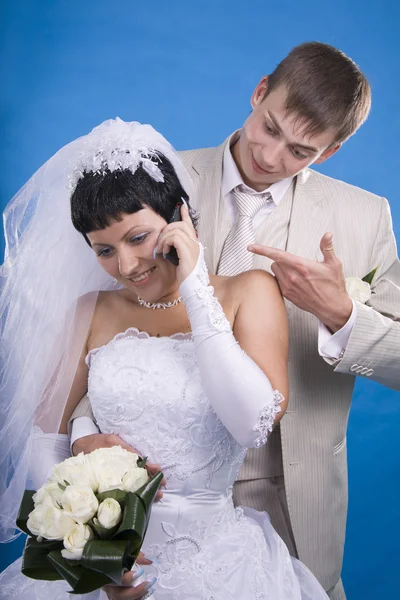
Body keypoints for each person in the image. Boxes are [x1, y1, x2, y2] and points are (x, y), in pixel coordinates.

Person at [70, 42, 400, 599]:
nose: (271, 157)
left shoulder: (365, 218)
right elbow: (105, 333)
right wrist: (82, 434)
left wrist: (342, 315)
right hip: (152, 495)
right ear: (259, 91)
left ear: (333, 150)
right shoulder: (157, 177)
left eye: (301, 151)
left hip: (297, 493)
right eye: (268, 128)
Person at [0, 118, 329, 599]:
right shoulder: (90, 311)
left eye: (137, 238)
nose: (127, 266)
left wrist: (196, 287)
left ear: (180, 216)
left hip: (220, 564)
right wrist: (99, 556)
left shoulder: (249, 292)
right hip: (116, 569)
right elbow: (40, 441)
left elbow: (252, 422)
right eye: (104, 250)